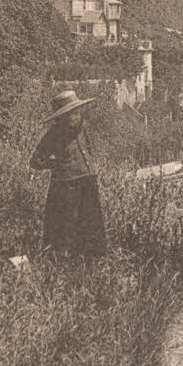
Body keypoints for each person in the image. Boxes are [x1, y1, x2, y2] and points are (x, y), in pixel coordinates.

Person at [30, 89, 106, 258]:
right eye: (72, 113)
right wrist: (57, 164)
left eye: (77, 112)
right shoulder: (54, 134)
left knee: (90, 220)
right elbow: (36, 160)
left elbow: (89, 150)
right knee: (66, 223)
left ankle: (92, 258)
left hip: (87, 180)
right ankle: (64, 259)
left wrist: (92, 169)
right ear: (62, 117)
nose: (76, 116)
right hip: (66, 185)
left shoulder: (82, 128)